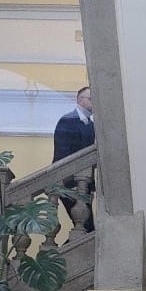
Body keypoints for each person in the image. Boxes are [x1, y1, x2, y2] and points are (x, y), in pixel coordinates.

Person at [51, 86, 96, 231]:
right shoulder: (67, 121)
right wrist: (70, 181)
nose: (95, 102)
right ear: (80, 100)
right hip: (68, 182)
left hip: (83, 182)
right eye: (91, 99)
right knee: (86, 227)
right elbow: (62, 154)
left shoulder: (90, 124)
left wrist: (91, 187)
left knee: (85, 228)